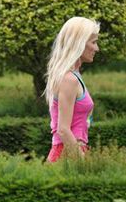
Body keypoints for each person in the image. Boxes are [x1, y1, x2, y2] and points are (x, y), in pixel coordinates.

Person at [43, 17, 100, 162]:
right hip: (66, 155)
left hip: (72, 151)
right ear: (79, 43)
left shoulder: (74, 76)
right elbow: (63, 130)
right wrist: (83, 162)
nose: (96, 48)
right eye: (93, 42)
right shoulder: (69, 80)